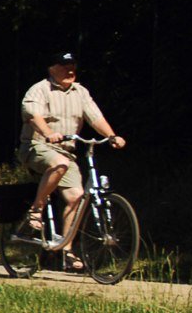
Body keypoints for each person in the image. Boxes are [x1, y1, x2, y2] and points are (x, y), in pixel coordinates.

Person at [18, 51, 125, 263]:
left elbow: (95, 118)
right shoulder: (39, 90)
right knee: (59, 163)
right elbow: (33, 116)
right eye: (64, 65)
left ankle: (66, 250)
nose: (70, 70)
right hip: (37, 146)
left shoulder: (80, 92)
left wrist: (112, 136)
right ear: (51, 69)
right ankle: (36, 210)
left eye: (72, 66)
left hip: (66, 152)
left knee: (77, 197)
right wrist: (48, 134)